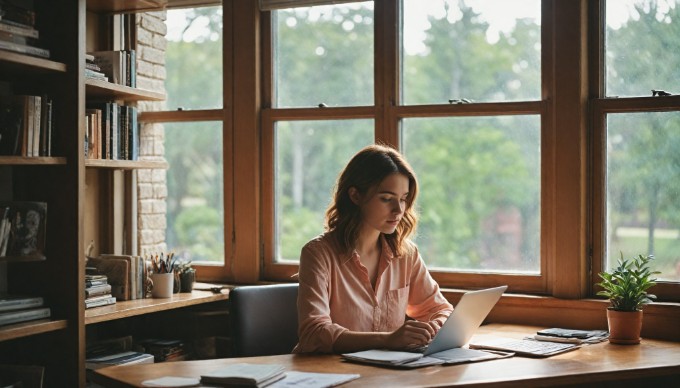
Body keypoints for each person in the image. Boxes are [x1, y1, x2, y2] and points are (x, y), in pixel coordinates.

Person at [294, 144, 453, 354]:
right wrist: (387, 340)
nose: (399, 210)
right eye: (386, 199)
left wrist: (434, 327)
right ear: (355, 196)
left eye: (403, 199)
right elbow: (314, 333)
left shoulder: (406, 254)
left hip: (386, 375)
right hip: (328, 374)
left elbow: (440, 309)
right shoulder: (318, 254)